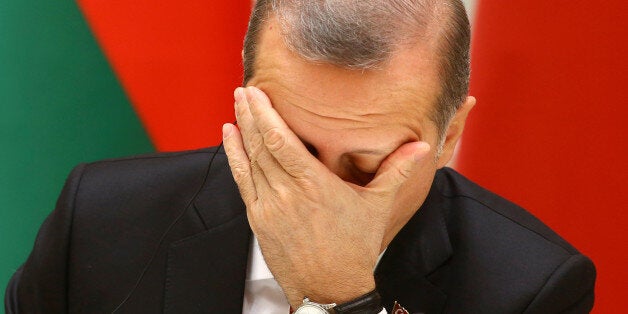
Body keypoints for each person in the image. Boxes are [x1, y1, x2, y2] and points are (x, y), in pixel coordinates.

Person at [5, 0, 596, 313]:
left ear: (450, 135)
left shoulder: (532, 289)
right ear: (244, 106)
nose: (316, 194)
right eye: (288, 147)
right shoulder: (101, 220)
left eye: (366, 165)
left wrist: (340, 298)